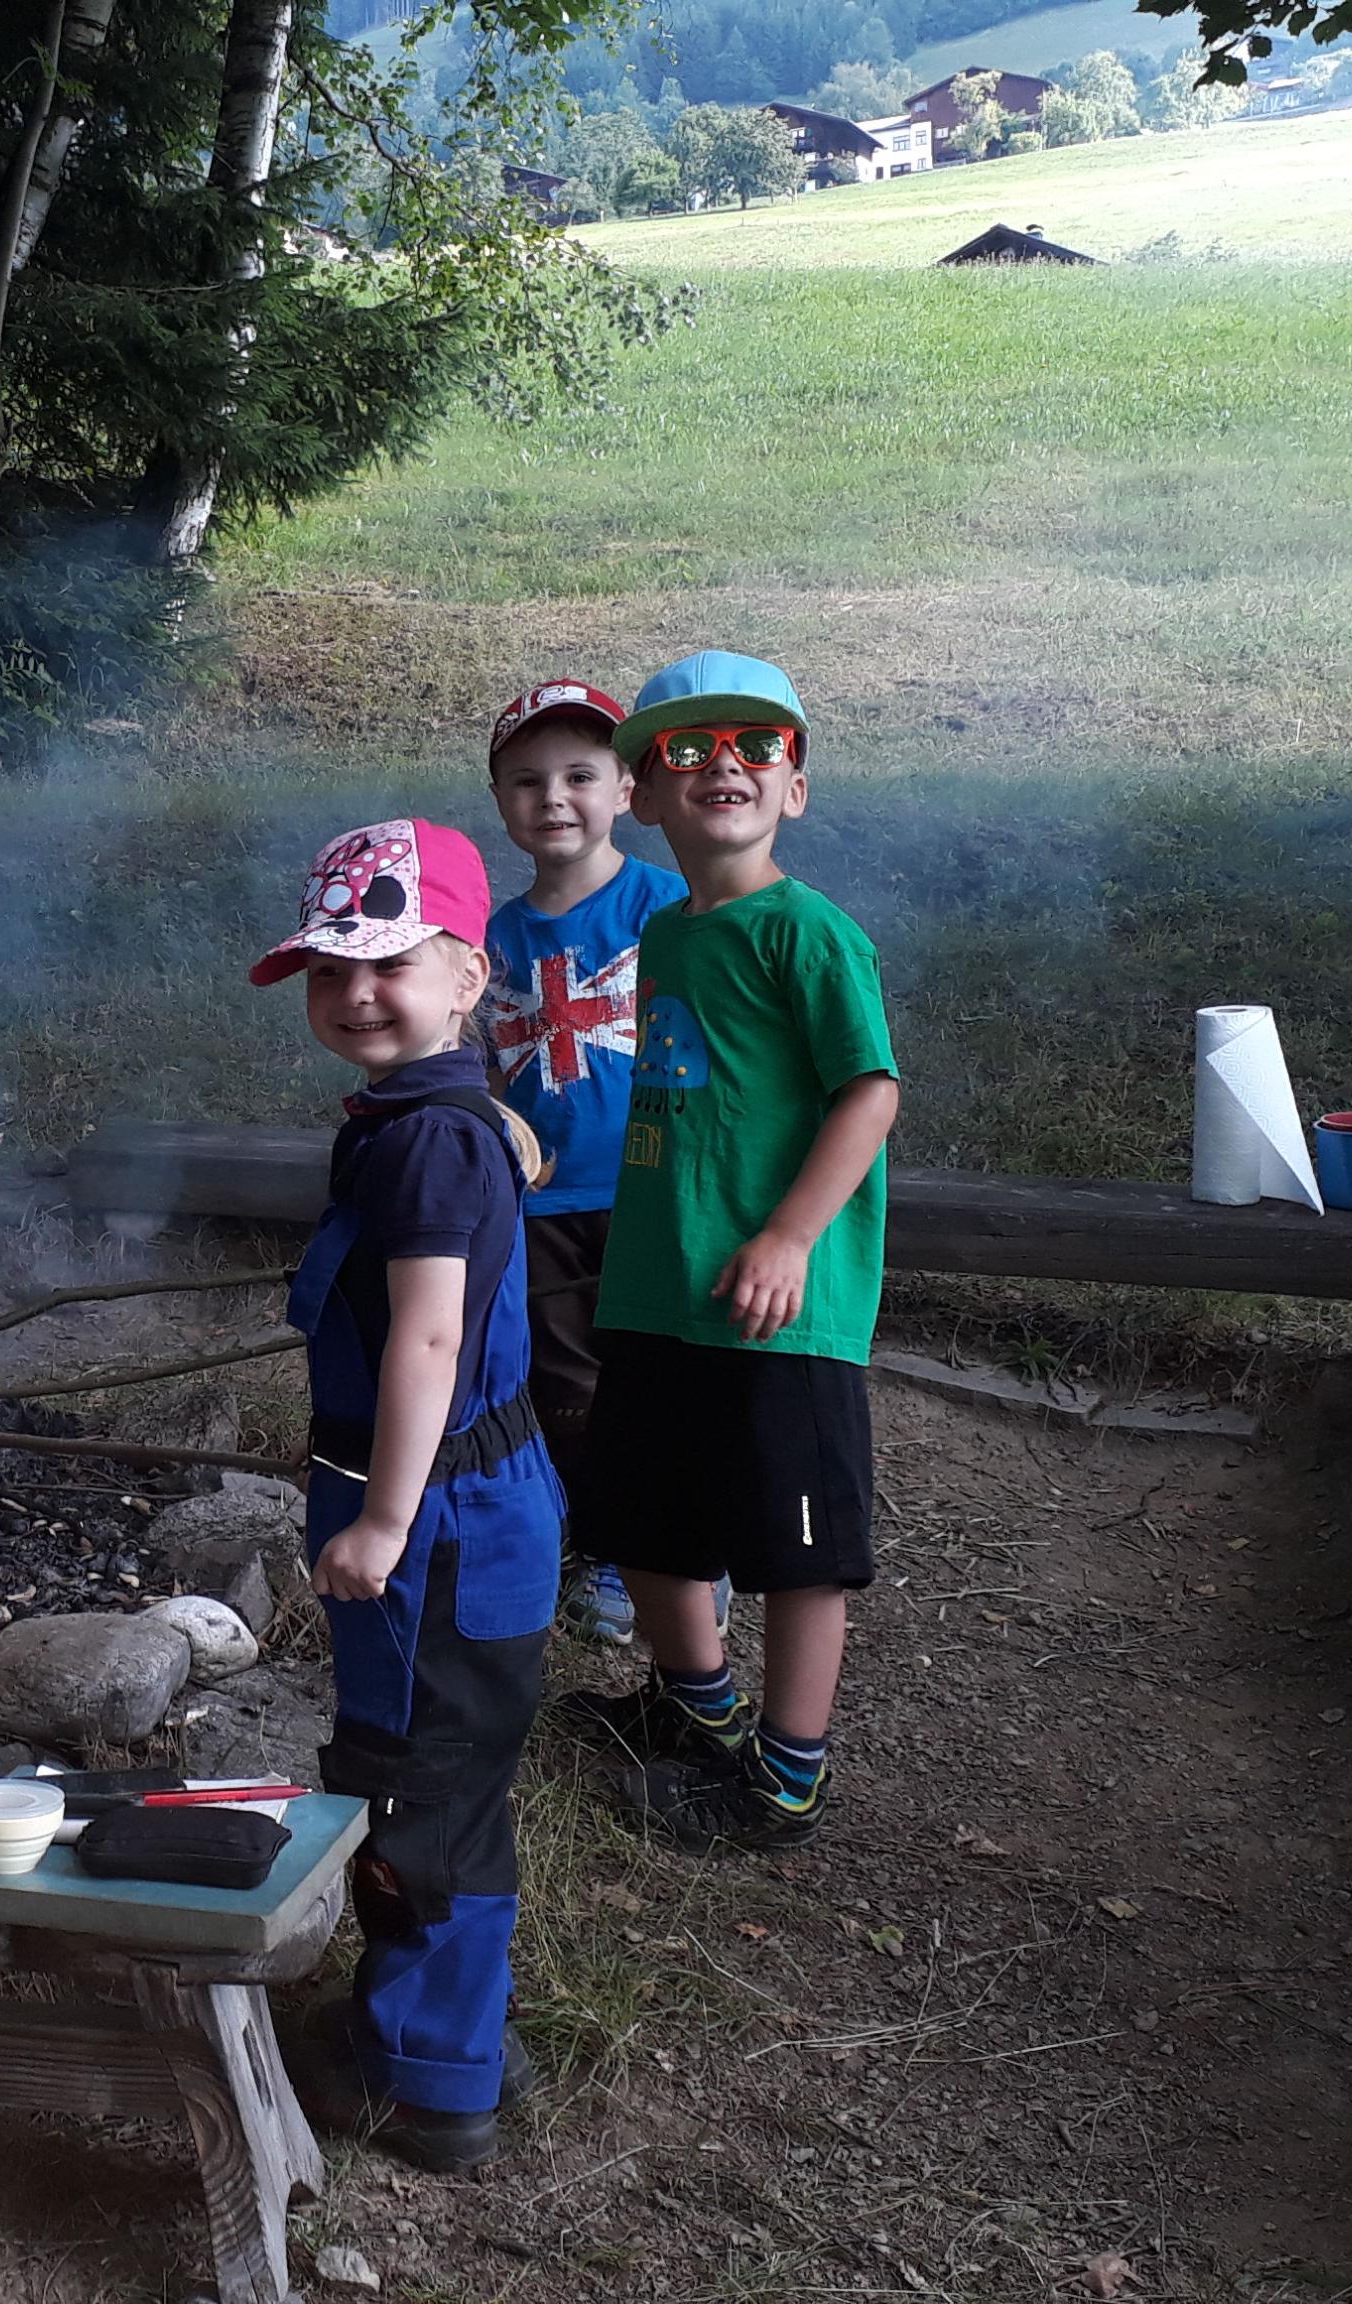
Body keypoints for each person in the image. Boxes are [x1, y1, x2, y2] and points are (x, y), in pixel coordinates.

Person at [254, 819, 565, 2174]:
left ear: (467, 975)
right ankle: (456, 2019)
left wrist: (380, 1520)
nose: (355, 992)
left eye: (389, 962)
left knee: (418, 1787)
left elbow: (430, 1341)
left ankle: (431, 2082)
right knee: (442, 1772)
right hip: (461, 1509)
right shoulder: (430, 1114)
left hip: (436, 1524)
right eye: (330, 971)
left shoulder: (429, 1143)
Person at [576, 650, 901, 1852]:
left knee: (796, 1548)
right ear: (643, 795)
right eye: (688, 749)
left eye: (757, 746)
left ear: (794, 789)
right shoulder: (666, 935)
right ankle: (695, 1705)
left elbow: (868, 1094)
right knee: (642, 1515)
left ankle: (785, 1776)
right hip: (660, 1287)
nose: (725, 765)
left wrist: (787, 1236)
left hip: (779, 1306)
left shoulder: (809, 933)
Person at [477, 677, 686, 1651]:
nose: (552, 797)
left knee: (664, 1374)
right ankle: (601, 1544)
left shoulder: (666, 906)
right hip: (544, 1205)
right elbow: (482, 1058)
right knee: (566, 1388)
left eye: (578, 775)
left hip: (655, 1191)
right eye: (526, 781)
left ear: (626, 789)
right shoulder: (493, 936)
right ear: (500, 800)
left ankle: (685, 1546)